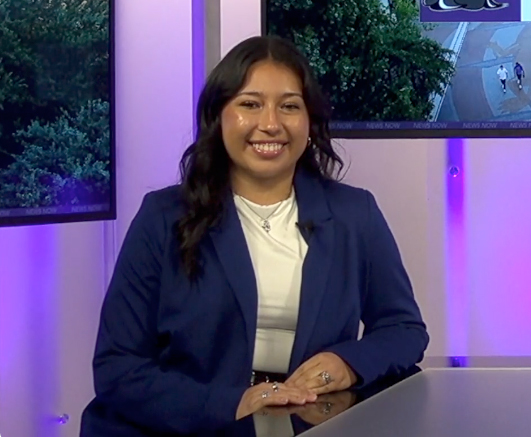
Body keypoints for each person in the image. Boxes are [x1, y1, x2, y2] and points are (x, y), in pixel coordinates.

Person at [92, 36, 429, 434]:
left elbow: (404, 331)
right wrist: (231, 402)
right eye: (250, 104)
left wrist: (347, 363)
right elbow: (118, 366)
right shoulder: (163, 217)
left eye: (289, 106)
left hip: (309, 426)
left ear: (309, 122)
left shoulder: (355, 214)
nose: (270, 124)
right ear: (219, 117)